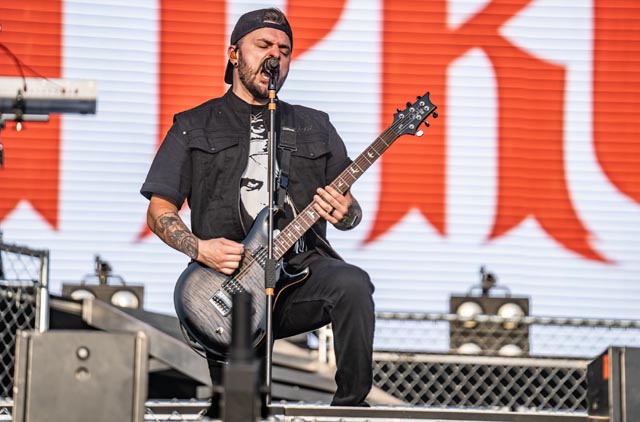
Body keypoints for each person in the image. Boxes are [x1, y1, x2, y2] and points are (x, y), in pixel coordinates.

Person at [140, 7, 375, 411]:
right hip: (229, 281)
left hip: (299, 273)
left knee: (353, 285)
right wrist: (200, 248)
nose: (275, 56)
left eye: (284, 50)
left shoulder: (315, 126)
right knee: (238, 407)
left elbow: (349, 210)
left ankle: (350, 408)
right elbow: (159, 207)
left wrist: (347, 213)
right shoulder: (193, 124)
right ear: (234, 54)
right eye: (264, 45)